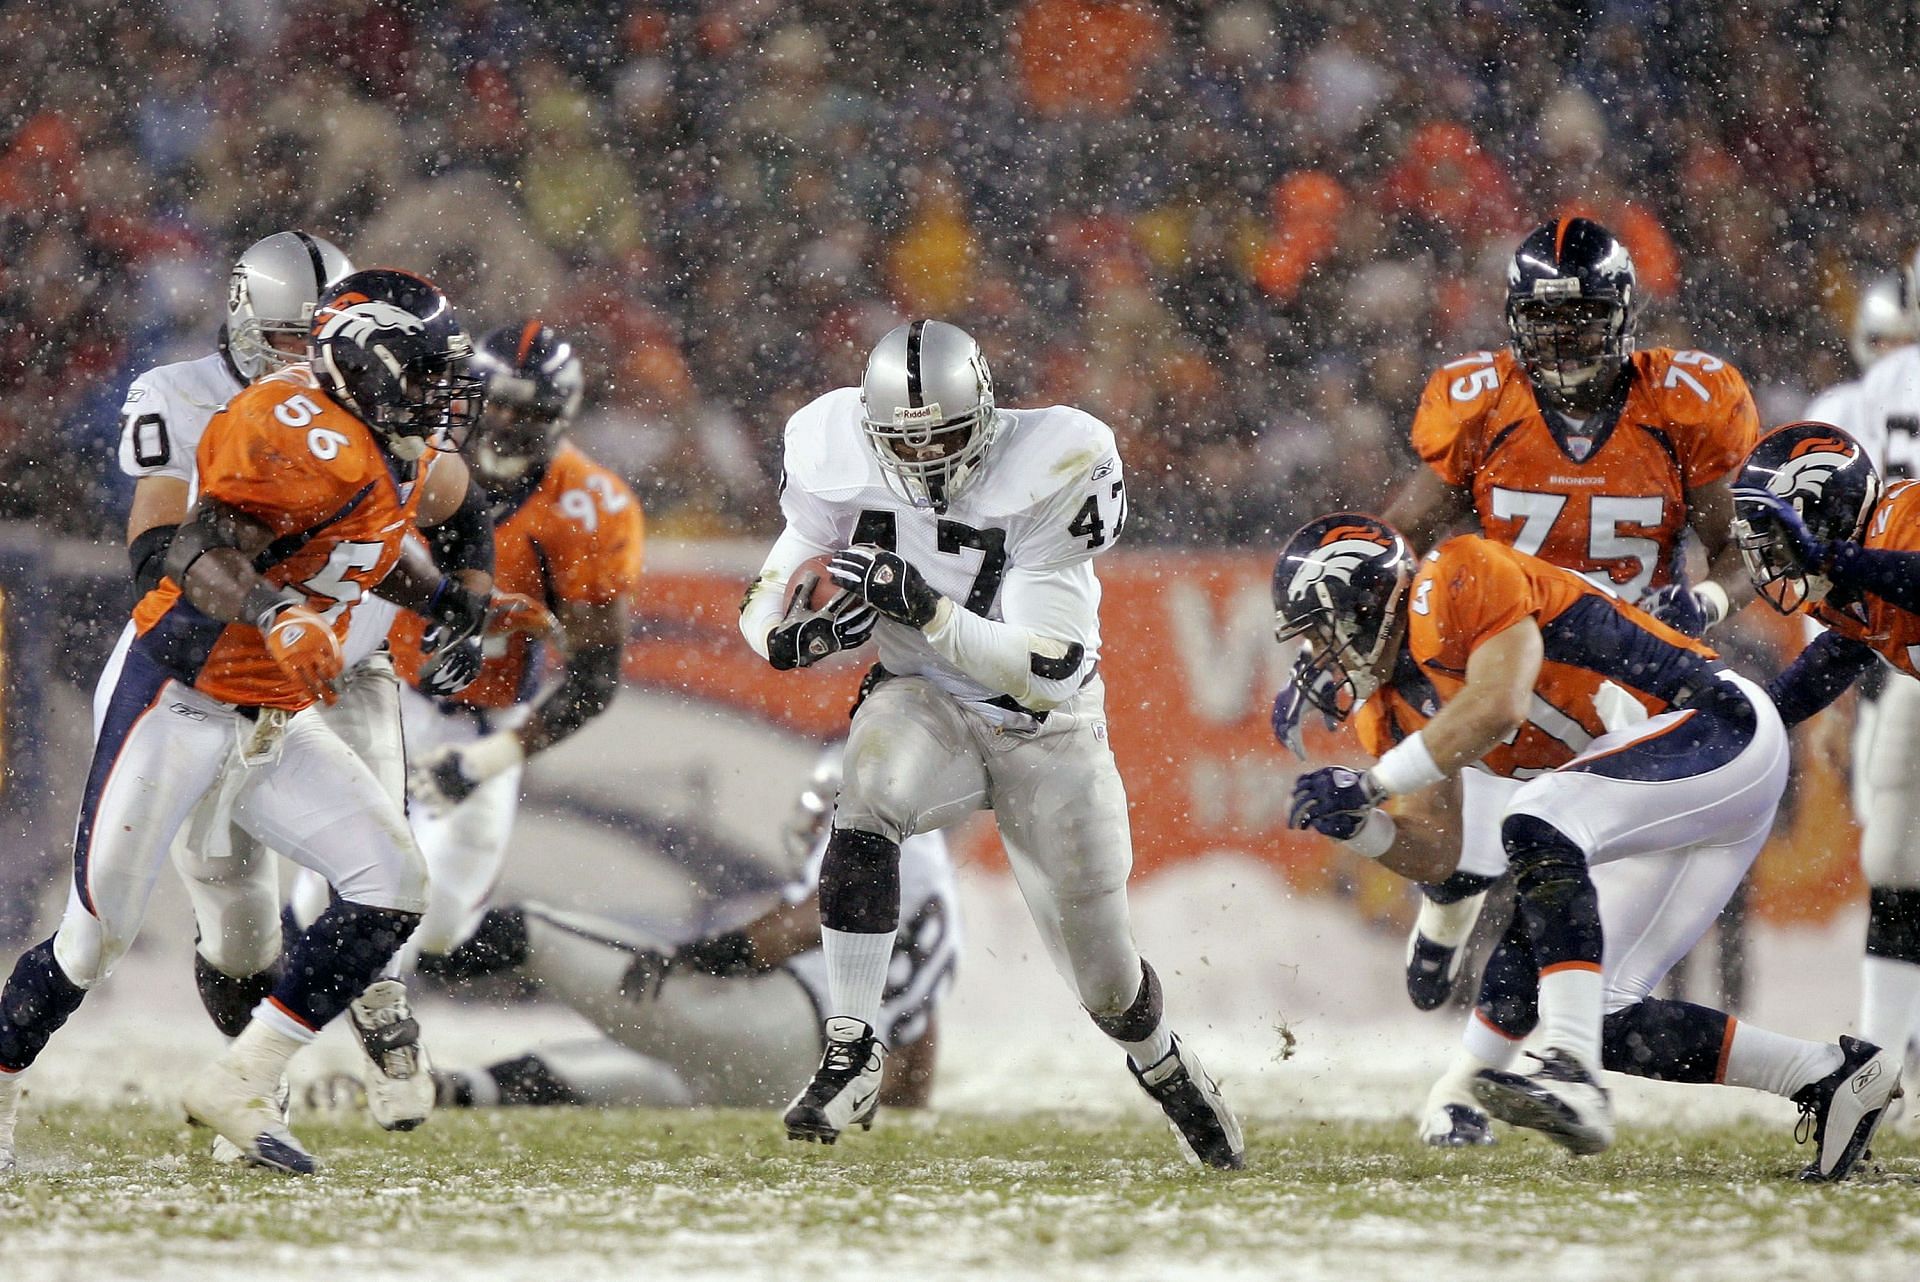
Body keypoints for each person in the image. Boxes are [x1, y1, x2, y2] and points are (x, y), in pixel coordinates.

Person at [0, 269, 500, 1175]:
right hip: (178, 695)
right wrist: (277, 613)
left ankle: (241, 1079)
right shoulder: (290, 424)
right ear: (370, 365)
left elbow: (381, 543)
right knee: (93, 939)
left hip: (270, 716)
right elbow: (192, 548)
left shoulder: (398, 442)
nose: (440, 397)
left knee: (392, 882)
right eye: (425, 374)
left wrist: (459, 605)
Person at [1277, 217, 1758, 1141]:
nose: (1561, 341)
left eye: (1580, 322)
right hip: (1507, 644)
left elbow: (1736, 549)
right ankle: (1459, 907)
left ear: (1622, 319)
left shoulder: (1683, 403)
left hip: (1622, 662)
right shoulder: (1483, 402)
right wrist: (1333, 612)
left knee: (1545, 880)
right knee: (1509, 856)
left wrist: (1706, 604)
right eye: (1542, 321)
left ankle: (1470, 1058)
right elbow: (1402, 529)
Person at [737, 319, 1243, 1168]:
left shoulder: (1058, 461)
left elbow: (1046, 670)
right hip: (924, 698)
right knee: (866, 794)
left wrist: (930, 610)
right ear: (871, 428)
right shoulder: (833, 445)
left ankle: (1165, 1065)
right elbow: (773, 577)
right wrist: (790, 640)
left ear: (986, 411)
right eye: (907, 440)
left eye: (945, 435)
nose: (928, 459)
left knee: (1106, 980)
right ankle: (853, 1046)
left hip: (1049, 730)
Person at [1278, 514, 1898, 1180]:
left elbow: (1499, 703)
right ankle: (1828, 1076)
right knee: (1601, 1010)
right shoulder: (1390, 707)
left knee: (1535, 822)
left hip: (1715, 723)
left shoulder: (1455, 575)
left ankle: (1571, 1073)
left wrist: (1371, 784)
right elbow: (1439, 852)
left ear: (1365, 598)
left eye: (1320, 628)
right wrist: (1362, 825)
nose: (1318, 654)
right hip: (1672, 798)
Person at [115, 231, 487, 1140]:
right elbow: (160, 547)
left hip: (349, 669)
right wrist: (276, 609)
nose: (308, 353)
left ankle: (377, 1013)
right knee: (240, 923)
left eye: (323, 332)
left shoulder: (376, 402)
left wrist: (461, 597)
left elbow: (455, 498)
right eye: (292, 337)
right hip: (227, 675)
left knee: (381, 863)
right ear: (249, 322)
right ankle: (255, 1083)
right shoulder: (187, 398)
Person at [300, 322, 637, 986]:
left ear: (561, 417)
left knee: (442, 922)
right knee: (331, 891)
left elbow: (594, 681)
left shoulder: (585, 506)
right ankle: (317, 1036)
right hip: (381, 692)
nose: (507, 421)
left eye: (530, 409)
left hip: (486, 719)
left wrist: (483, 762)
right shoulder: (405, 456)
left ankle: (329, 1016)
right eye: (497, 400)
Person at [423, 744, 958, 1111]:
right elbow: (916, 1033)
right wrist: (899, 1119)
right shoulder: (934, 889)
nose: (819, 824)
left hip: (781, 1026)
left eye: (829, 808)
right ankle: (458, 1091)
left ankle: (386, 969)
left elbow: (801, 926)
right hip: (806, 1077)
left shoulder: (886, 838)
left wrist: (704, 957)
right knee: (640, 1077)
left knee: (530, 930)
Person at [1733, 419, 1920, 1088]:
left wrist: (1837, 560)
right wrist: (1755, 718)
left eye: (1779, 541)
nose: (1773, 563)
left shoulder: (1902, 517)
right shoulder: (1853, 578)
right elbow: (1835, 656)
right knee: (1900, 871)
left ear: (1823, 510)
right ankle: (1882, 1061)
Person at [1818, 258, 1920, 1069]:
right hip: (1896, 643)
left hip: (1893, 628)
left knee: (1897, 852)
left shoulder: (1870, 400)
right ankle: (1887, 1052)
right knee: (1893, 855)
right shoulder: (1865, 404)